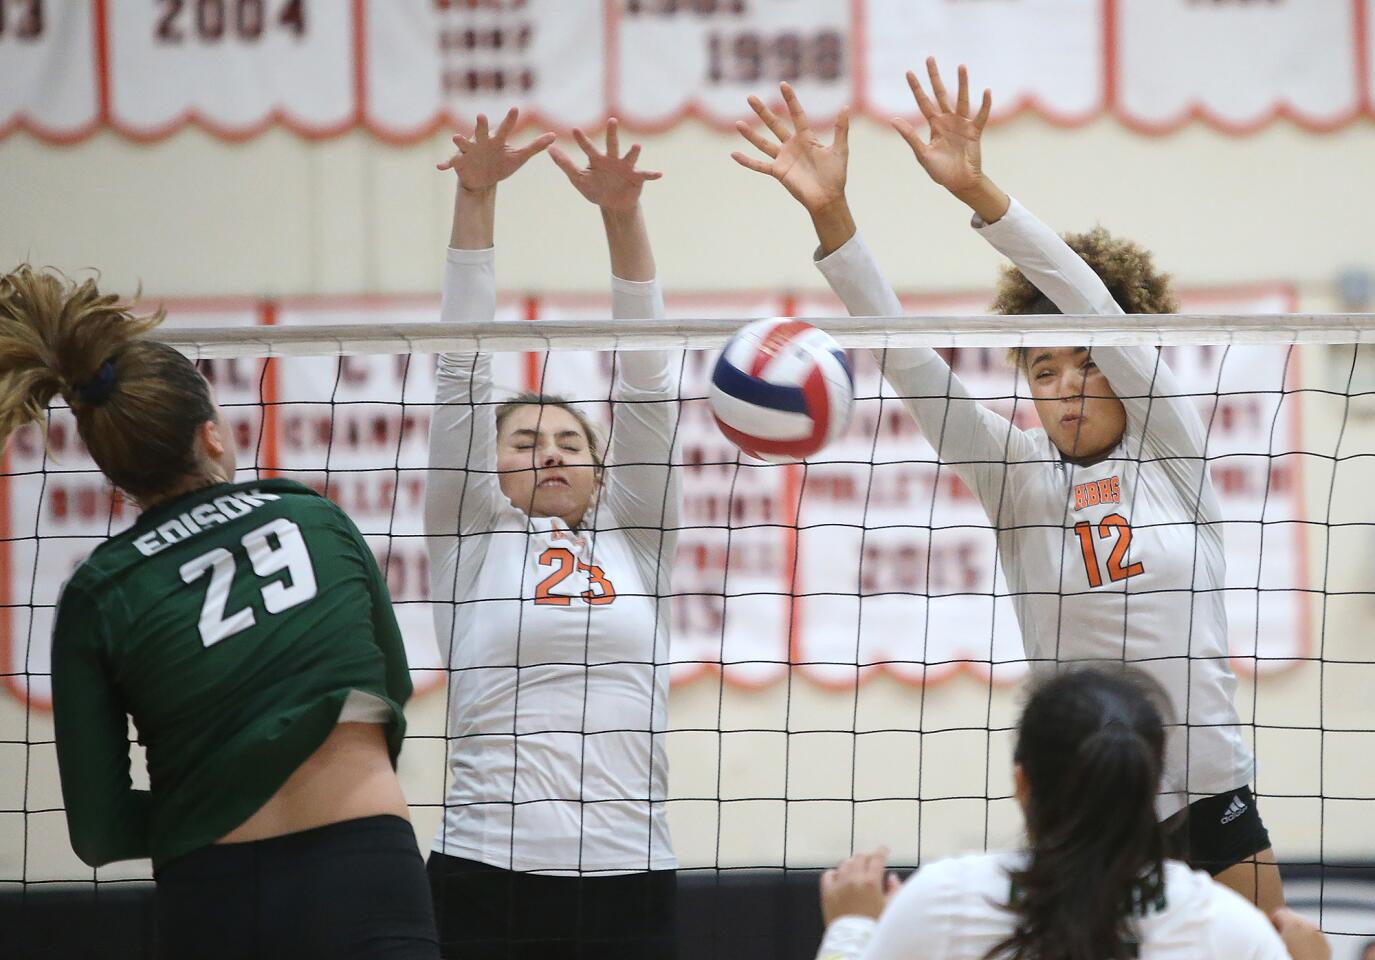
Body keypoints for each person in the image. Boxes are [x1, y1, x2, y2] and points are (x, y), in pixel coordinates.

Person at [731, 61, 1282, 912]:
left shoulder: (1169, 452)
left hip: (1212, 800)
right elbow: (909, 363)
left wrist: (979, 190)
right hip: (1084, 810)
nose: (1064, 385)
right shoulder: (1015, 477)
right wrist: (831, 215)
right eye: (1042, 367)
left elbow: (1087, 301)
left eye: (1085, 363)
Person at [0, 267, 437, 957]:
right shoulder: (310, 515)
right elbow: (393, 685)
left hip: (211, 893)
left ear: (114, 471)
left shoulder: (98, 591)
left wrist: (210, 798)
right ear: (210, 436)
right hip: (364, 870)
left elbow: (98, 832)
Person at [423, 108, 681, 958]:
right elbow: (463, 363)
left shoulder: (635, 536)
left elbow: (647, 381)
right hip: (486, 873)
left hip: (631, 873)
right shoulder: (469, 534)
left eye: (571, 441)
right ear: (489, 466)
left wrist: (622, 216)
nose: (552, 453)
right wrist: (475, 197)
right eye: (525, 441)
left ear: (602, 470)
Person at [812, 667, 1329, 960]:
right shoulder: (1228, 929)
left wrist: (853, 929)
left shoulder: (943, 901)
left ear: (1022, 782)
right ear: (1146, 787)